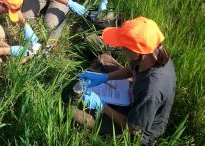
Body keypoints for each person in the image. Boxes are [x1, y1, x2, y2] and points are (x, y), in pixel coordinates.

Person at [75, 17, 176, 146]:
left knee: (72, 110)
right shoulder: (150, 53)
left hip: (136, 128)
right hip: (133, 93)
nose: (121, 49)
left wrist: (101, 105)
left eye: (123, 47)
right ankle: (107, 92)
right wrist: (105, 78)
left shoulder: (151, 88)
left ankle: (109, 121)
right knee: (104, 58)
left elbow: (134, 129)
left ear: (136, 51)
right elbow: (131, 70)